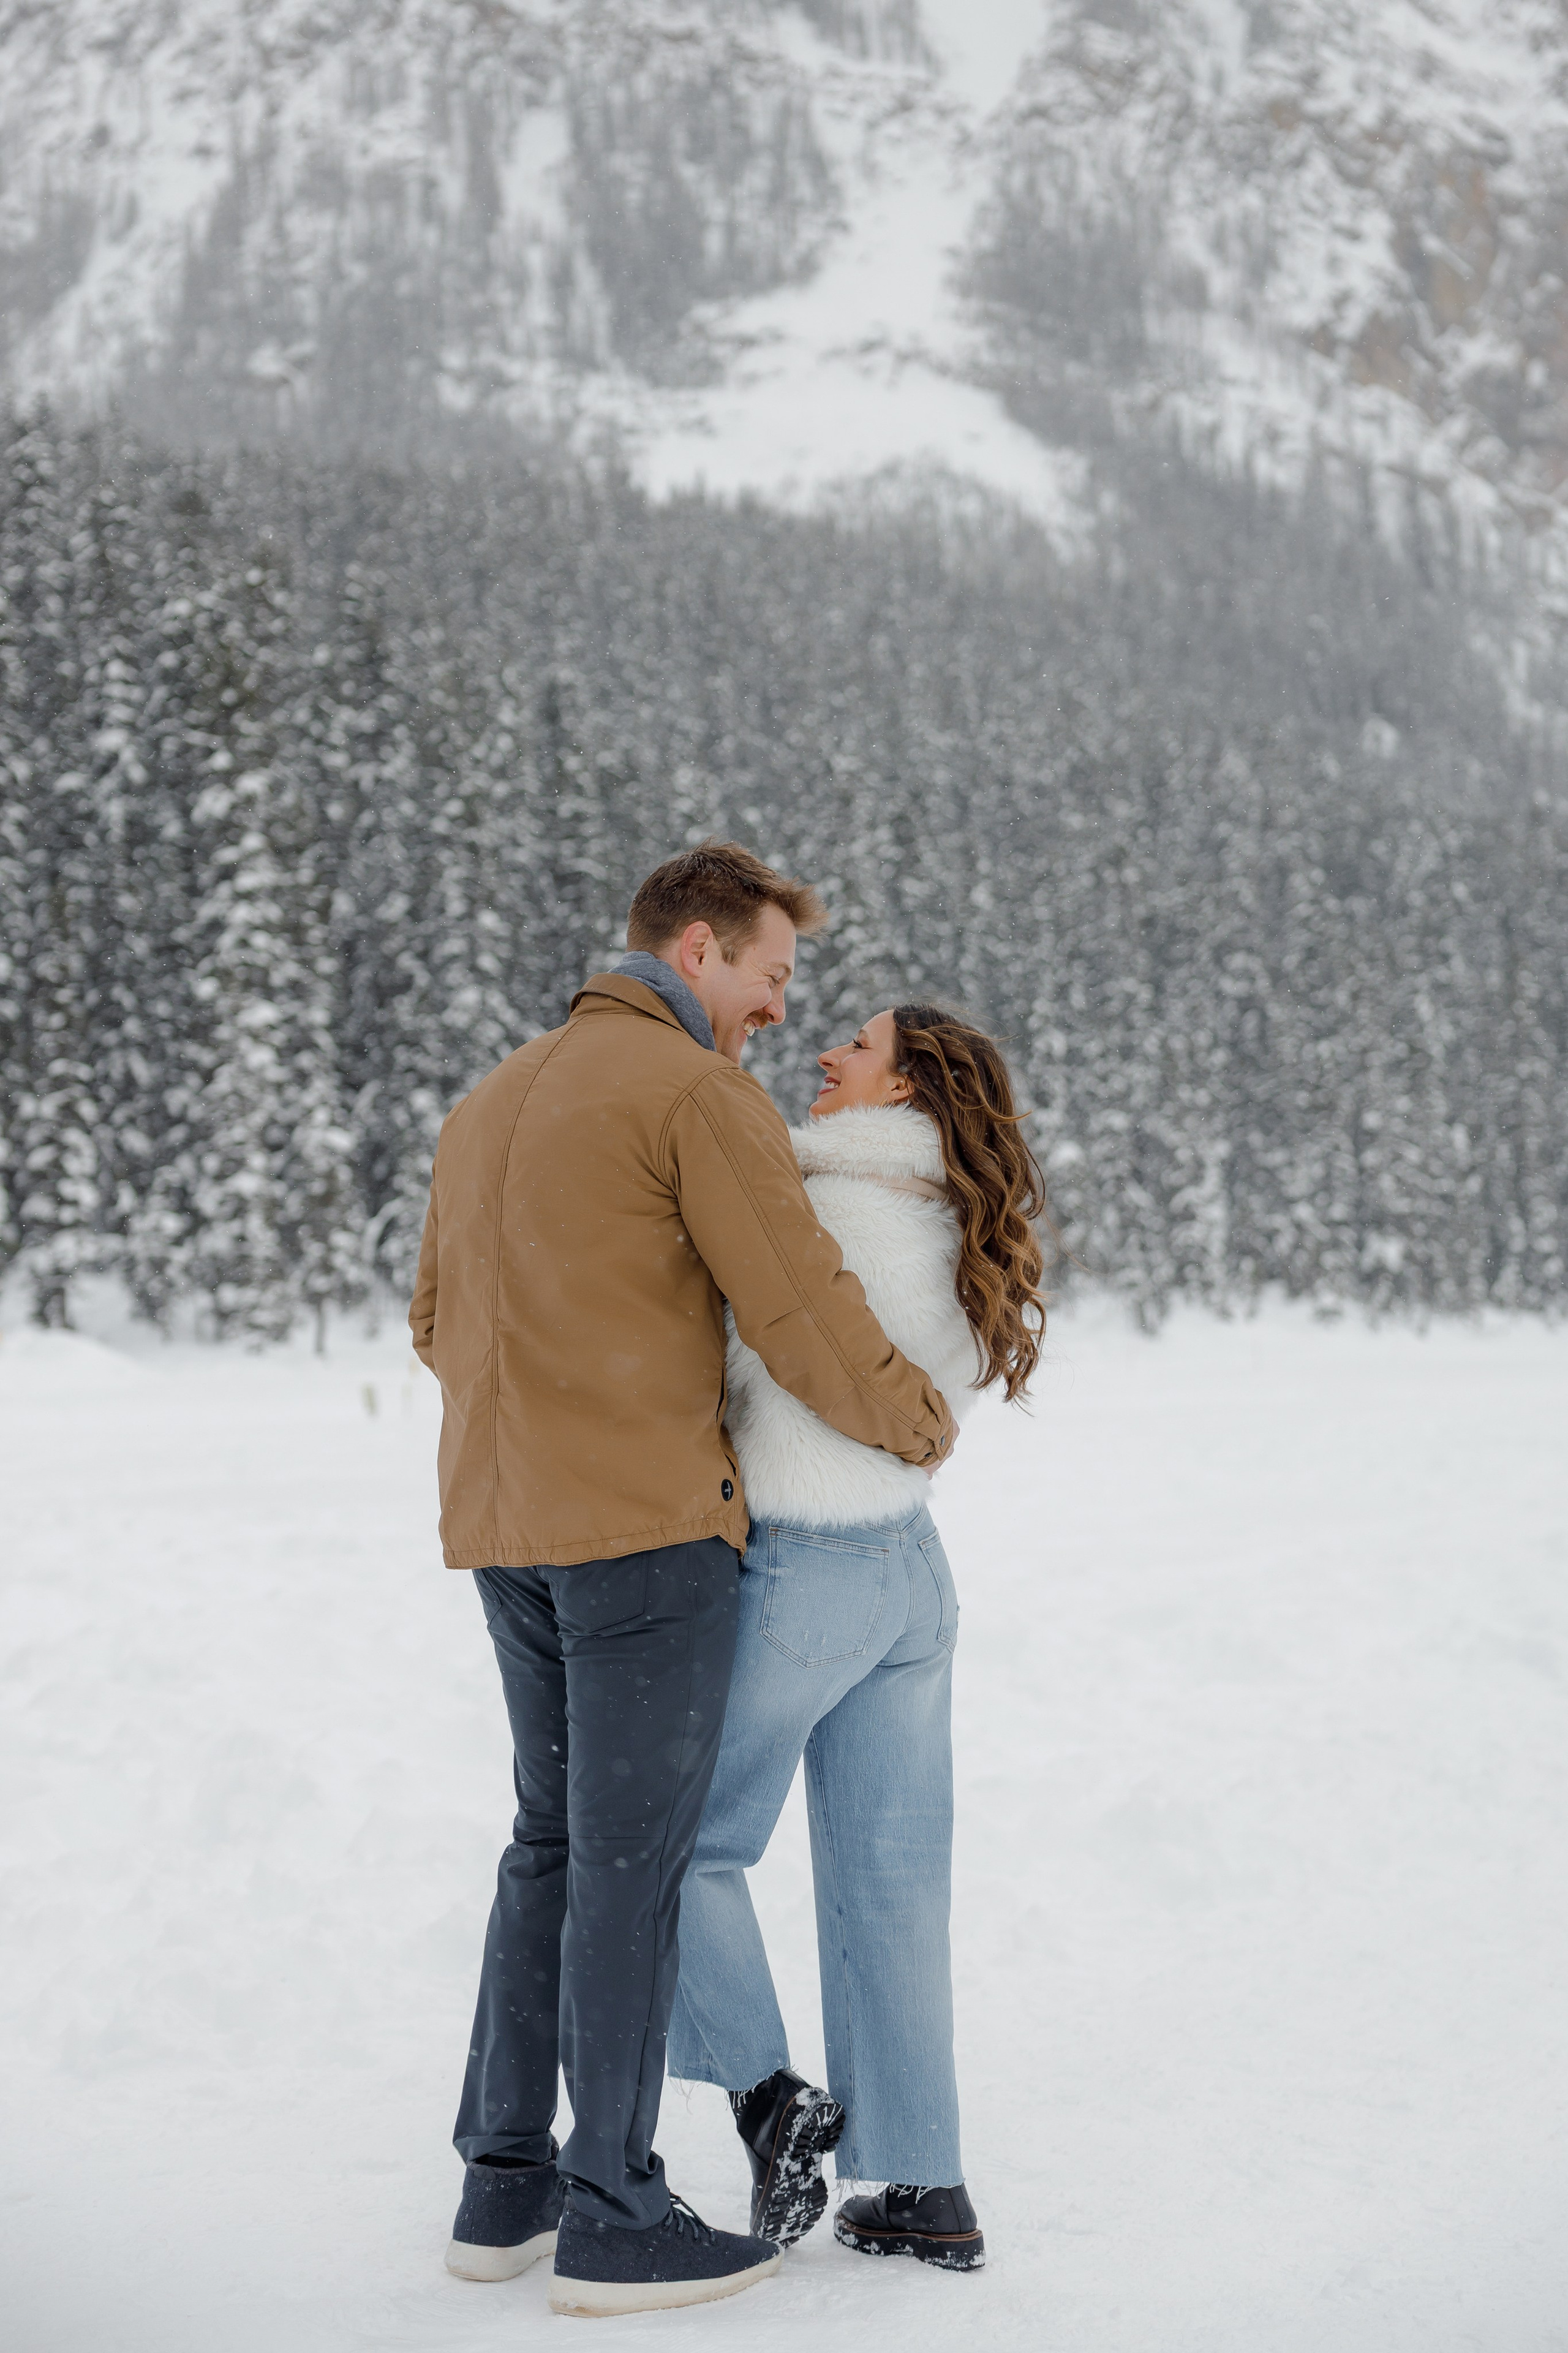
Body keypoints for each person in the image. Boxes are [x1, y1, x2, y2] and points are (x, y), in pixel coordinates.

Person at [409, 844, 959, 2320]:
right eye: (774, 978)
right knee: (634, 1859)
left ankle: (502, 2187)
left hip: (502, 1529)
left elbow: (434, 1322)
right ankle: (615, 2213)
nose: (783, 1011)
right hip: (643, 1540)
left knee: (550, 1840)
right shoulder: (695, 1095)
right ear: (700, 949)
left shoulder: (490, 1098)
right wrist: (915, 1424)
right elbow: (796, 1310)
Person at [668, 1003, 1050, 2274]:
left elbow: (727, 1364)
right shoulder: (955, 1215)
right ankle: (927, 2190)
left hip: (801, 1567)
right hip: (908, 1570)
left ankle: (774, 2104)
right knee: (891, 1882)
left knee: (674, 1842)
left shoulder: (815, 1209)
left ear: (905, 1085)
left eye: (856, 1043)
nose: (825, 1052)